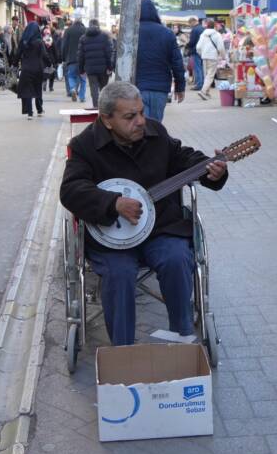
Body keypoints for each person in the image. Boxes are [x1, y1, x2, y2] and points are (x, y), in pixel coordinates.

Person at [59, 82, 228, 346]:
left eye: (141, 112)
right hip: (111, 240)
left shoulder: (155, 133)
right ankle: (123, 351)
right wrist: (112, 203)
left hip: (159, 228)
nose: (140, 121)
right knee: (120, 274)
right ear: (107, 120)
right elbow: (70, 190)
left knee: (176, 258)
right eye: (130, 117)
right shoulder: (85, 145)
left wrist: (212, 170)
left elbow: (184, 158)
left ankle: (182, 338)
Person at [135, 0, 186, 120]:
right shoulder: (167, 33)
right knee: (156, 127)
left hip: (136, 87)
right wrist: (180, 87)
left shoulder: (132, 32)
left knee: (139, 127)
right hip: (160, 88)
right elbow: (177, 63)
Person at [15, 22, 49, 119]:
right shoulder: (39, 42)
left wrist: (14, 64)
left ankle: (30, 113)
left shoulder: (23, 41)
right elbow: (45, 55)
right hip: (38, 69)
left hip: (26, 68)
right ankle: (40, 109)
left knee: (27, 90)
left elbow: (17, 54)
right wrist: (50, 64)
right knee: (38, 89)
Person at [79, 18, 114, 108]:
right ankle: (103, 108)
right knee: (103, 89)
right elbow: (109, 53)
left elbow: (81, 55)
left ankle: (96, 107)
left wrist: (81, 69)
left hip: (90, 69)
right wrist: (110, 68)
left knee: (93, 89)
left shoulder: (83, 38)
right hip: (103, 69)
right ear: (98, 25)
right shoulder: (105, 36)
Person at [60, 10, 87, 102]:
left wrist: (63, 58)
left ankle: (72, 89)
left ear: (74, 19)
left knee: (71, 76)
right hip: (83, 60)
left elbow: (64, 46)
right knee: (83, 79)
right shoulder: (85, 30)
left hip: (71, 59)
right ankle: (82, 97)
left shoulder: (68, 31)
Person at [196, 19, 227, 100]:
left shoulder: (203, 34)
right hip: (213, 57)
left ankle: (206, 92)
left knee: (206, 75)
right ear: (214, 26)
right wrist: (223, 56)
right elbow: (221, 47)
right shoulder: (217, 34)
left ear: (207, 26)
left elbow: (198, 47)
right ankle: (203, 91)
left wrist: (201, 54)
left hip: (204, 56)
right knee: (210, 75)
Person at [186, 19, 204, 90]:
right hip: (202, 51)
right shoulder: (202, 28)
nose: (190, 26)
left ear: (192, 22)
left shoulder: (195, 30)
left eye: (190, 24)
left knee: (197, 68)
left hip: (195, 50)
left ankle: (199, 85)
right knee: (201, 68)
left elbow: (192, 42)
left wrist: (187, 45)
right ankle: (202, 83)